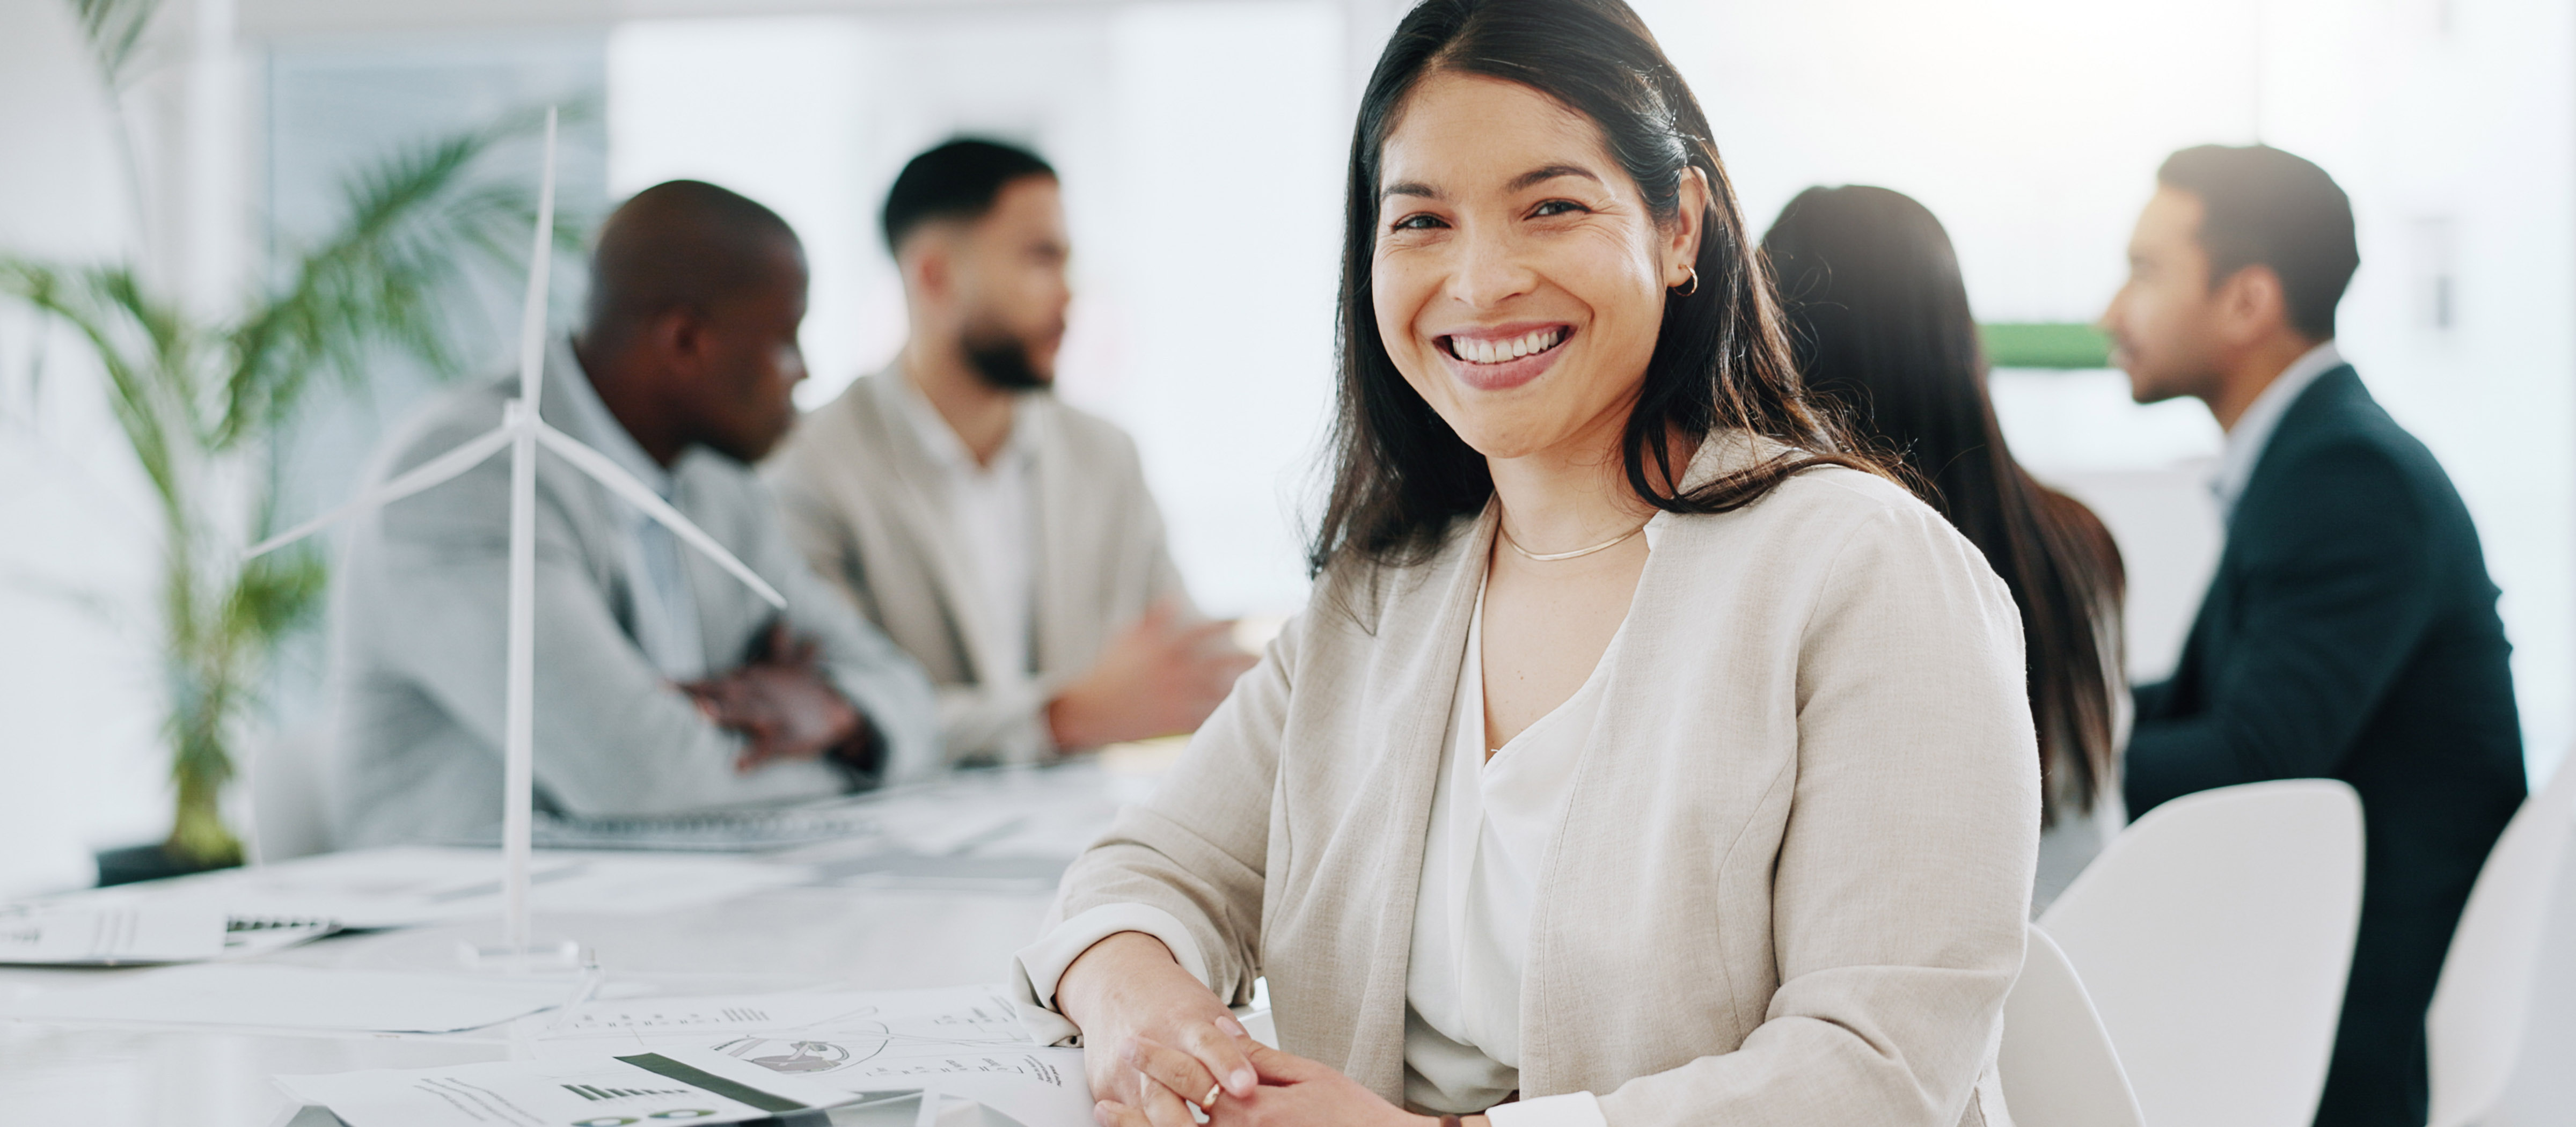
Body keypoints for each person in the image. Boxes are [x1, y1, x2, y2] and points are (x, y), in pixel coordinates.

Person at [1012, 2, 2041, 1124]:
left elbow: (1878, 1072)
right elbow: (1141, 876)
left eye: (1551, 207)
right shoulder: (1380, 597)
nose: (1481, 280)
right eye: (1421, 223)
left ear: (1679, 227)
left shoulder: (1864, 573)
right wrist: (1141, 1009)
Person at [2102, 144, 2525, 1127]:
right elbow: (2214, 700)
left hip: (2360, 1003)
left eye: (2147, 272)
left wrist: (2053, 769)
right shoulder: (2315, 454)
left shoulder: (2346, 475)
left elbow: (2258, 752)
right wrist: (2066, 718)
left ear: (2249, 303)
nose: (2111, 313)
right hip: (2313, 946)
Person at [331, 180, 940, 847]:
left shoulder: (718, 483)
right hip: (470, 928)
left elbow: (904, 694)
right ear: (685, 342)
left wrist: (843, 718)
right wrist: (852, 762)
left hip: (691, 899)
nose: (806, 372)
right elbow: (643, 783)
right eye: (786, 340)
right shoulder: (468, 475)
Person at [767, 140, 1254, 764]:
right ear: (934, 275)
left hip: (1086, 836)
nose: (1068, 296)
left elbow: (1183, 664)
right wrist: (1063, 718)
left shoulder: (1105, 456)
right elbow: (836, 709)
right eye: (1039, 259)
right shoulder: (808, 464)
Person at [1763, 184, 2129, 914]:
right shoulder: (2077, 538)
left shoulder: (1820, 562)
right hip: (2081, 971)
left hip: (1929, 989)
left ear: (1780, 342)